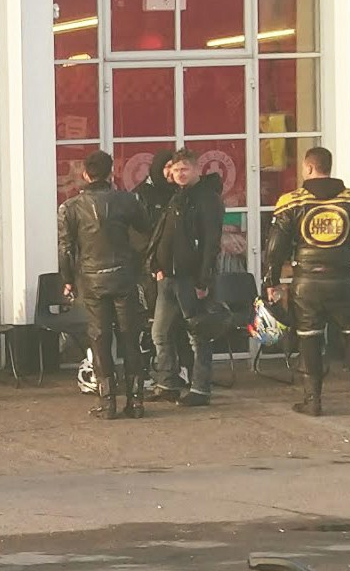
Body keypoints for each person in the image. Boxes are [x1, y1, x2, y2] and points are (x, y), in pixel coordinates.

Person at [266, 146, 350, 415]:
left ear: (308, 168)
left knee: (309, 337)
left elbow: (275, 246)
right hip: (342, 278)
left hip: (306, 281)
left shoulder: (291, 201)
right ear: (329, 167)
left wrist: (271, 280)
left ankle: (313, 400)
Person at [60, 149, 147, 418]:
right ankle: (136, 402)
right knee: (130, 338)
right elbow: (146, 231)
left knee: (99, 339)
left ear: (85, 174)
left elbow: (66, 248)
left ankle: (107, 401)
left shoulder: (71, 207)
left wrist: (68, 280)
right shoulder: (128, 201)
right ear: (112, 173)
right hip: (123, 275)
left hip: (92, 277)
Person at [147, 148, 226, 407]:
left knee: (198, 334)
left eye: (184, 169)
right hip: (168, 277)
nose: (179, 174)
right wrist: (156, 265)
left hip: (191, 279)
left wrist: (203, 280)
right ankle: (167, 383)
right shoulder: (177, 197)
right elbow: (164, 234)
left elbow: (211, 242)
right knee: (160, 332)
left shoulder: (206, 199)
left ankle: (200, 389)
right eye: (175, 170)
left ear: (196, 169)